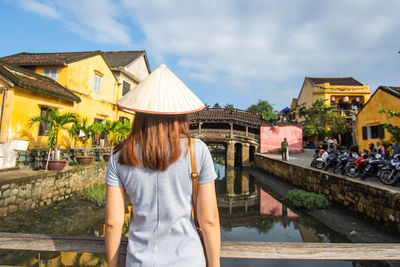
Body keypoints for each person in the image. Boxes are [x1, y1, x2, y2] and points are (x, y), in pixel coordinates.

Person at [105, 65, 221, 267]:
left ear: (140, 113)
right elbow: (208, 220)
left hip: (139, 261)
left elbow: (113, 223)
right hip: (188, 260)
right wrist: (214, 264)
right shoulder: (197, 151)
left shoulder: (120, 155)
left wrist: (113, 265)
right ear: (180, 113)